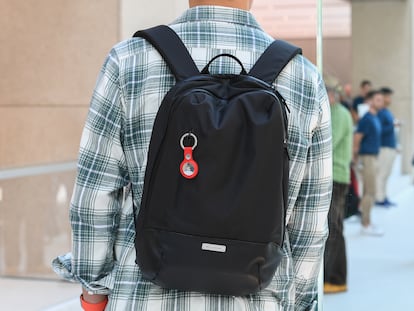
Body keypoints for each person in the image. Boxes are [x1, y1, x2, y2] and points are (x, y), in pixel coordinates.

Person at [52, 1, 332, 310]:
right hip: (258, 296)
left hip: (145, 294)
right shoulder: (304, 78)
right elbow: (311, 219)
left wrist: (94, 292)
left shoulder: (130, 60)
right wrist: (301, 300)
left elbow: (95, 194)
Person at [324, 84, 353, 293]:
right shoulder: (333, 112)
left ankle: (335, 278)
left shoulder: (340, 114)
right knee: (332, 227)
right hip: (333, 176)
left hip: (336, 177)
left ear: (332, 95)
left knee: (334, 228)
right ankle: (332, 277)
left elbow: (328, 143)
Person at [353, 90, 384, 236]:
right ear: (370, 101)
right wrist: (356, 157)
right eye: (378, 100)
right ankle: (365, 224)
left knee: (368, 191)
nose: (381, 102)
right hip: (367, 158)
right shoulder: (366, 118)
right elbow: (357, 137)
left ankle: (367, 222)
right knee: (370, 192)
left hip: (373, 157)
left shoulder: (374, 117)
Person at [375, 87, 399, 207]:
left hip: (390, 147)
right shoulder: (380, 113)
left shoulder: (387, 112)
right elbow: (378, 130)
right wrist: (392, 125)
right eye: (388, 96)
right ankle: (379, 198)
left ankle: (384, 196)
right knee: (382, 174)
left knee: (386, 174)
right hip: (383, 147)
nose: (390, 99)